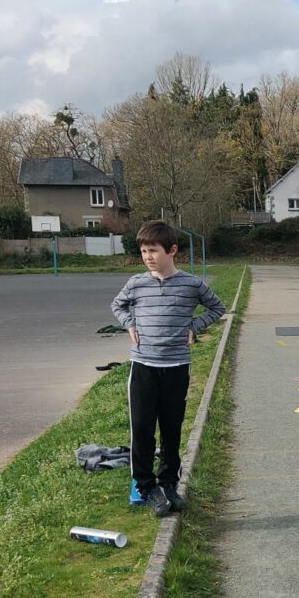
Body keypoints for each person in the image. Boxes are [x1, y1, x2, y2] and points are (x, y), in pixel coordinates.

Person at [111, 219, 225, 517]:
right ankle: (145, 486)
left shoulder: (191, 284)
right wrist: (129, 324)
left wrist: (196, 327)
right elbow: (118, 306)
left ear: (172, 250)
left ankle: (169, 483)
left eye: (153, 250)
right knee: (143, 429)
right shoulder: (136, 283)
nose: (148, 256)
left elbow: (217, 308)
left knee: (171, 428)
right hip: (144, 366)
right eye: (144, 251)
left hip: (176, 367)